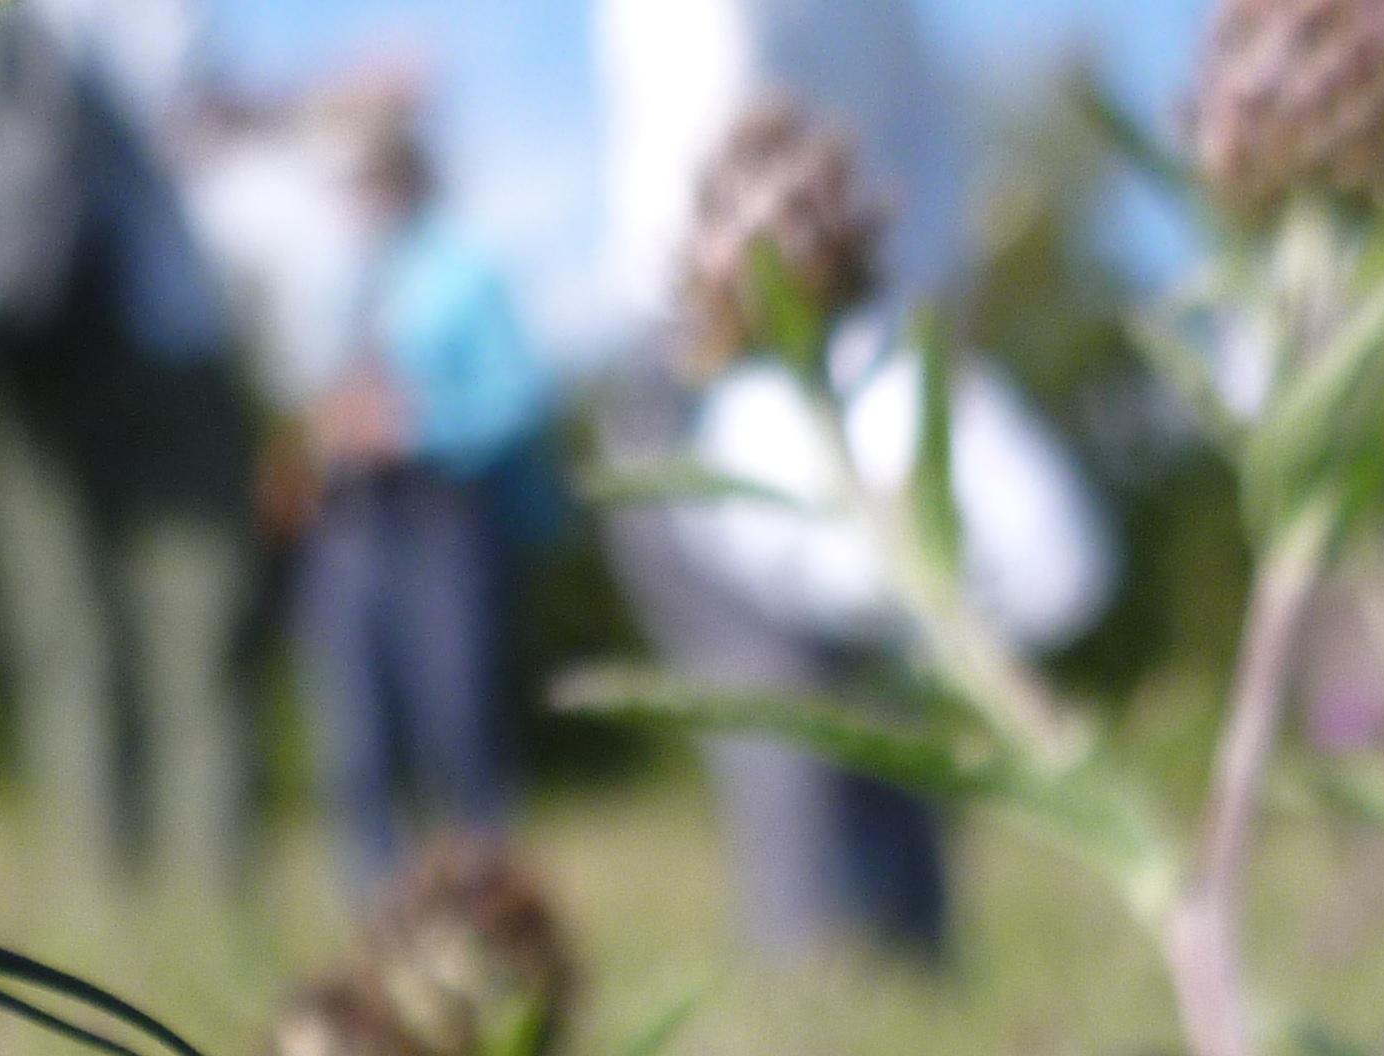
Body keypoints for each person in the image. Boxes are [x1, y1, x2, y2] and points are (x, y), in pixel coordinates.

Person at [606, 93, 1111, 958]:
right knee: (778, 722)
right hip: (697, 386)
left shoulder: (899, 383)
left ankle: (903, 950)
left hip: (798, 379)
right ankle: (808, 963)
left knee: (861, 724)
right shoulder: (717, 425)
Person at [0, 3, 256, 888]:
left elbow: (198, 111)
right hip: (31, 349)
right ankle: (110, 909)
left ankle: (201, 900)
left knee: (187, 631)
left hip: (147, 339)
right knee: (73, 637)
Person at [286, 98, 553, 890]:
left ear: (403, 175)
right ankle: (375, 921)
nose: (353, 198)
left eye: (365, 178)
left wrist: (415, 428)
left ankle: (487, 911)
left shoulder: (463, 268)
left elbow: (518, 396)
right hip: (352, 524)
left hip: (444, 517)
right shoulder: (345, 278)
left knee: (459, 722)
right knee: (355, 734)